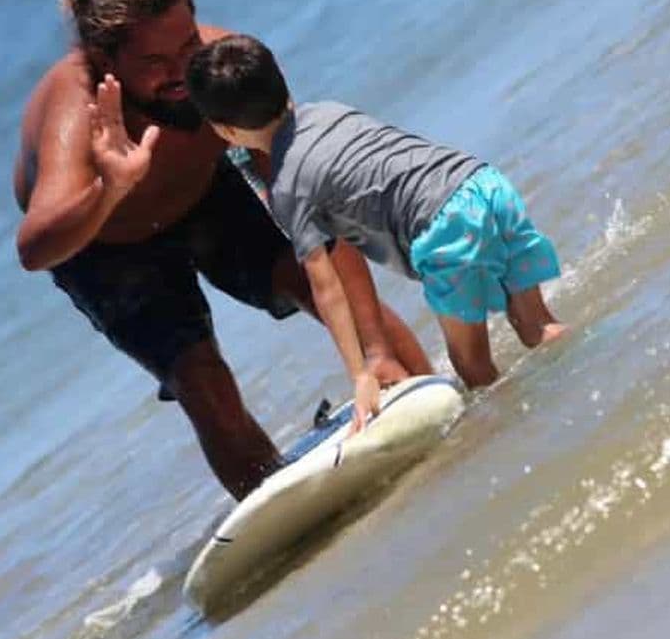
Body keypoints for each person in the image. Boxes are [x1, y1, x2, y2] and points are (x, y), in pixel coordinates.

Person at [13, 0, 433, 500]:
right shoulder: (75, 108)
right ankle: (286, 509)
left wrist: (378, 352)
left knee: (307, 273)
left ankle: (427, 394)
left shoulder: (226, 63)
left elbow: (314, 209)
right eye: (155, 62)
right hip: (104, 242)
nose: (183, 70)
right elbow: (35, 248)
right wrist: (110, 187)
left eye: (187, 44)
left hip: (208, 193)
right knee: (200, 377)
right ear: (103, 58)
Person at [186, 34, 568, 427]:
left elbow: (326, 285)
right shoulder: (331, 111)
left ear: (225, 132)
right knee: (538, 327)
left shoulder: (288, 188)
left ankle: (530, 434)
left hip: (444, 228)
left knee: (475, 372)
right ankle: (582, 389)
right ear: (281, 76)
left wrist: (361, 374)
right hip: (483, 185)